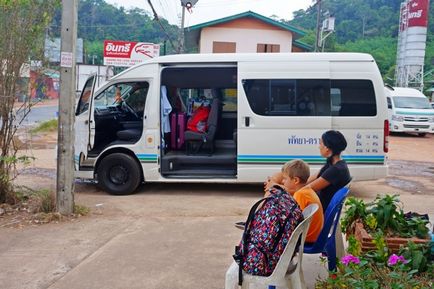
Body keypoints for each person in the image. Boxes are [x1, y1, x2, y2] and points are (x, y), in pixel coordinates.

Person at [234, 184, 303, 278]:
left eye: (285, 179)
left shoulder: (275, 206)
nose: (283, 181)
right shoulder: (285, 202)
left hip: (264, 265)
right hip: (285, 256)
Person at [275, 159, 324, 243]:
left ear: (296, 180)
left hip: (306, 238)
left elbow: (294, 220)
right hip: (313, 235)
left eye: (285, 179)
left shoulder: (300, 195)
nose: (283, 182)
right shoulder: (307, 190)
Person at [307, 130, 351, 211]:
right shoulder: (335, 164)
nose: (319, 147)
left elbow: (307, 190)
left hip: (318, 211)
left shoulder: (336, 170)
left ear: (327, 148)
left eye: (320, 143)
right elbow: (308, 180)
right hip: (317, 206)